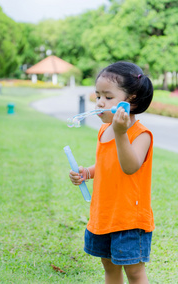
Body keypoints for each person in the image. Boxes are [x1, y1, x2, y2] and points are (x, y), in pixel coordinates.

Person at [69, 61, 155, 284]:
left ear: (131, 99)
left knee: (134, 272)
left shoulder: (140, 134)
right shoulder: (105, 129)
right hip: (104, 213)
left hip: (129, 219)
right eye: (98, 95)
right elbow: (109, 165)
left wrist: (120, 133)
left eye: (108, 97)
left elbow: (129, 166)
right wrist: (87, 172)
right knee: (109, 266)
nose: (99, 102)